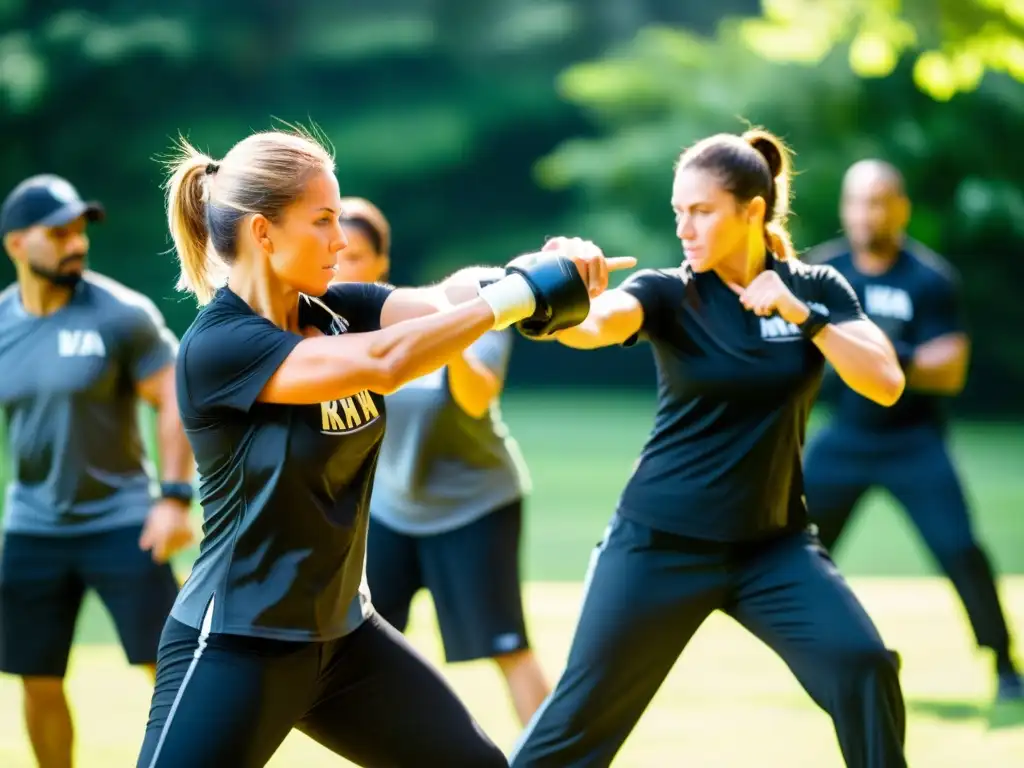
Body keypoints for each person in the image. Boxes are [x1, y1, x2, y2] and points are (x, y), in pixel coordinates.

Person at [136, 128, 629, 768]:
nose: (341, 240)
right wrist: (518, 297)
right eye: (322, 220)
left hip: (344, 642)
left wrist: (536, 268)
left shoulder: (341, 308)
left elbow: (448, 298)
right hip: (238, 643)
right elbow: (387, 361)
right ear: (262, 232)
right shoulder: (222, 347)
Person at [508, 130, 909, 768]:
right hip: (659, 544)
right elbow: (598, 323)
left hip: (773, 548)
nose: (685, 228)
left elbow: (885, 382)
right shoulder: (669, 292)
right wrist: (550, 296)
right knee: (574, 728)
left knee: (864, 666)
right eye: (678, 213)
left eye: (701, 211)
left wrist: (804, 314)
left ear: (752, 210)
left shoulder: (818, 287)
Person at [802, 159, 1023, 702]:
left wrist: (877, 351)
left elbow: (949, 368)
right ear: (844, 208)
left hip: (913, 441)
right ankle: (813, 656)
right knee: (794, 549)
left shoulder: (929, 278)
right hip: (846, 437)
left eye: (879, 201)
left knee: (960, 548)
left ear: (900, 208)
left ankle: (1003, 664)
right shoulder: (823, 272)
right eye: (857, 201)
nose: (866, 213)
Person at [0, 174, 194, 768]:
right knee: (36, 678)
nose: (76, 243)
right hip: (33, 526)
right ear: (16, 245)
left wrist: (175, 498)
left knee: (174, 670)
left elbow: (174, 398)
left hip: (124, 522)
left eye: (80, 230)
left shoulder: (120, 316)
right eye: (58, 233)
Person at [332, 197, 550, 726]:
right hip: (387, 508)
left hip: (472, 505)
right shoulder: (327, 330)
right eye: (335, 252)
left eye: (356, 256)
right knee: (360, 653)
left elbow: (476, 397)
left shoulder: (454, 313)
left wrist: (446, 329)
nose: (342, 267)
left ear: (381, 265)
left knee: (507, 648)